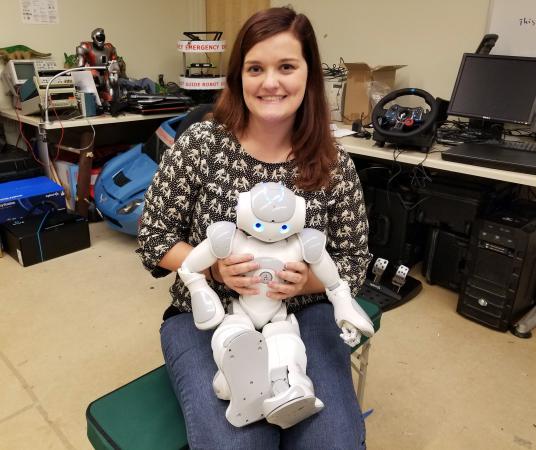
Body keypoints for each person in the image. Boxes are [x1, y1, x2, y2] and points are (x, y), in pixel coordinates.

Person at [137, 6, 372, 450]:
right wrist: (214, 271)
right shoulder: (202, 145)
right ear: (238, 77)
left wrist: (309, 281)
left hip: (304, 312)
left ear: (309, 75)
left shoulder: (333, 162)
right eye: (255, 68)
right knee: (240, 443)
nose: (270, 83)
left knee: (333, 441)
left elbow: (354, 259)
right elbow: (154, 237)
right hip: (206, 314)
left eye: (286, 67)